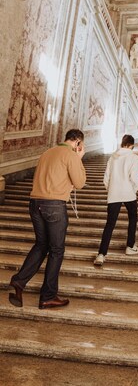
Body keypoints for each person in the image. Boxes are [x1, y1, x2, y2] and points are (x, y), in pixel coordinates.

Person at [8, 129, 86, 310]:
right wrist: (79, 158)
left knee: (41, 244)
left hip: (35, 204)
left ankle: (19, 281)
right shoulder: (70, 154)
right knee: (57, 250)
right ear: (77, 142)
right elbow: (80, 183)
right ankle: (48, 296)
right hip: (54, 206)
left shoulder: (47, 152)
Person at [94, 135, 138, 267]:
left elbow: (106, 178)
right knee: (133, 218)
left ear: (123, 143)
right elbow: (135, 177)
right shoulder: (133, 157)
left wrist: (111, 190)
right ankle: (130, 246)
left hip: (113, 194)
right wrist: (133, 190)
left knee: (110, 224)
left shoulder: (113, 157)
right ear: (132, 145)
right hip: (129, 193)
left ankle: (101, 254)